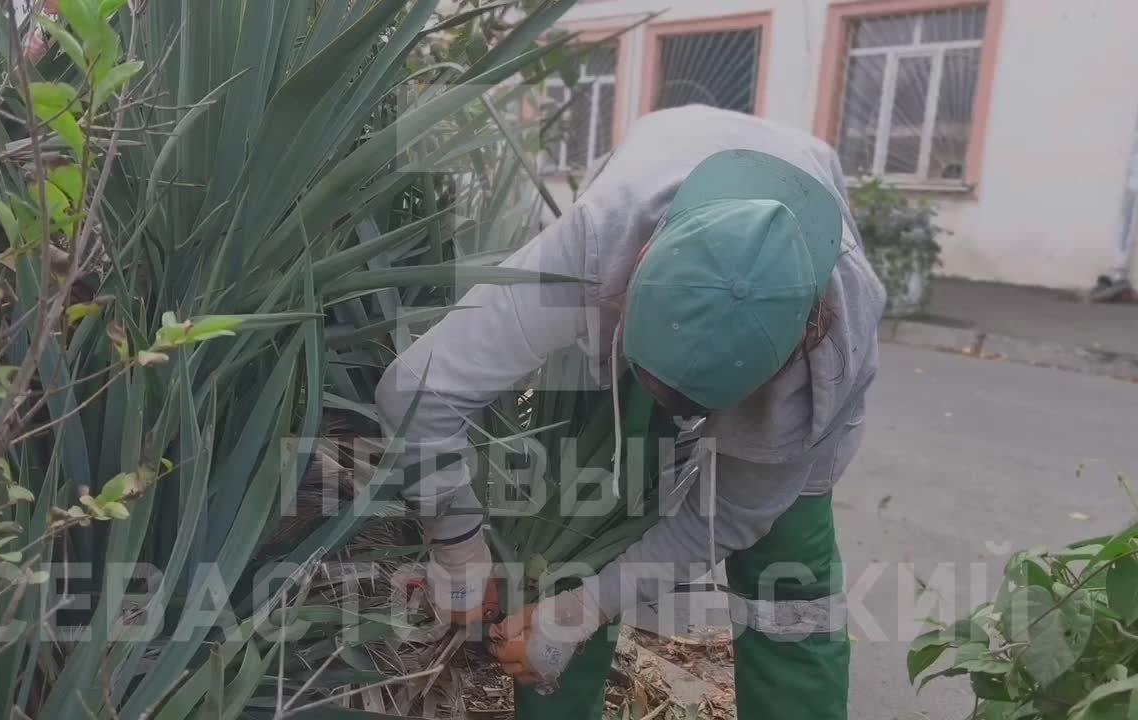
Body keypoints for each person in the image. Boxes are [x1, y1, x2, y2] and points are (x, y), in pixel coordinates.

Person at [375, 105, 887, 720]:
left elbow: (729, 515)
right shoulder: (603, 237)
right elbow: (418, 390)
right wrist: (458, 551)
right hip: (651, 236)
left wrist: (586, 608)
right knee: (584, 508)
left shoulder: (833, 353)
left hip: (784, 330)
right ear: (639, 260)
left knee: (788, 566)